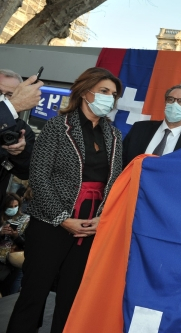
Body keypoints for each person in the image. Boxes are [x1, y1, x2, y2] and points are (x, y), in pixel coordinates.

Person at [7, 67, 123, 333]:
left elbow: (114, 182)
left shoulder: (115, 135)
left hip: (91, 226)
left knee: (72, 299)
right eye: (104, 91)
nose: (109, 98)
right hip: (50, 222)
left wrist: (100, 219)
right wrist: (63, 219)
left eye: (113, 94)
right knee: (33, 295)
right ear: (86, 91)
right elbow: (38, 176)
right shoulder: (58, 126)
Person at [122, 85, 181, 166]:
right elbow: (121, 160)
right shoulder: (139, 129)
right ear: (165, 104)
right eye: (170, 99)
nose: (174, 104)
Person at [0, 70, 36, 205]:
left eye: (10, 95)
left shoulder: (22, 129)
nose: (3, 99)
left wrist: (19, 153)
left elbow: (25, 172)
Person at [0, 193, 29, 296]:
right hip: (1, 263)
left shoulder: (25, 220)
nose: (13, 209)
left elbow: (27, 244)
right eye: (10, 207)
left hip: (15, 264)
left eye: (15, 206)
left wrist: (16, 236)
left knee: (9, 297)